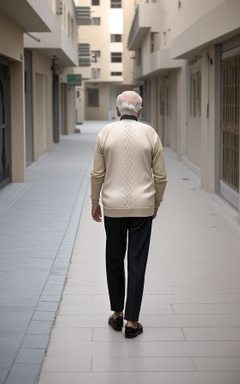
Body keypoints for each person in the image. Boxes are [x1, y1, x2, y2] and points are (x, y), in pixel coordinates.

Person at [90, 90, 167, 338]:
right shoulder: (150, 133)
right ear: (140, 112)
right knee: (136, 261)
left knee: (114, 257)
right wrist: (156, 202)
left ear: (116, 111)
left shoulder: (105, 133)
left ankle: (117, 314)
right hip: (143, 207)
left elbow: (97, 174)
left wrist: (95, 201)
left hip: (112, 206)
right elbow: (161, 176)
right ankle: (132, 322)